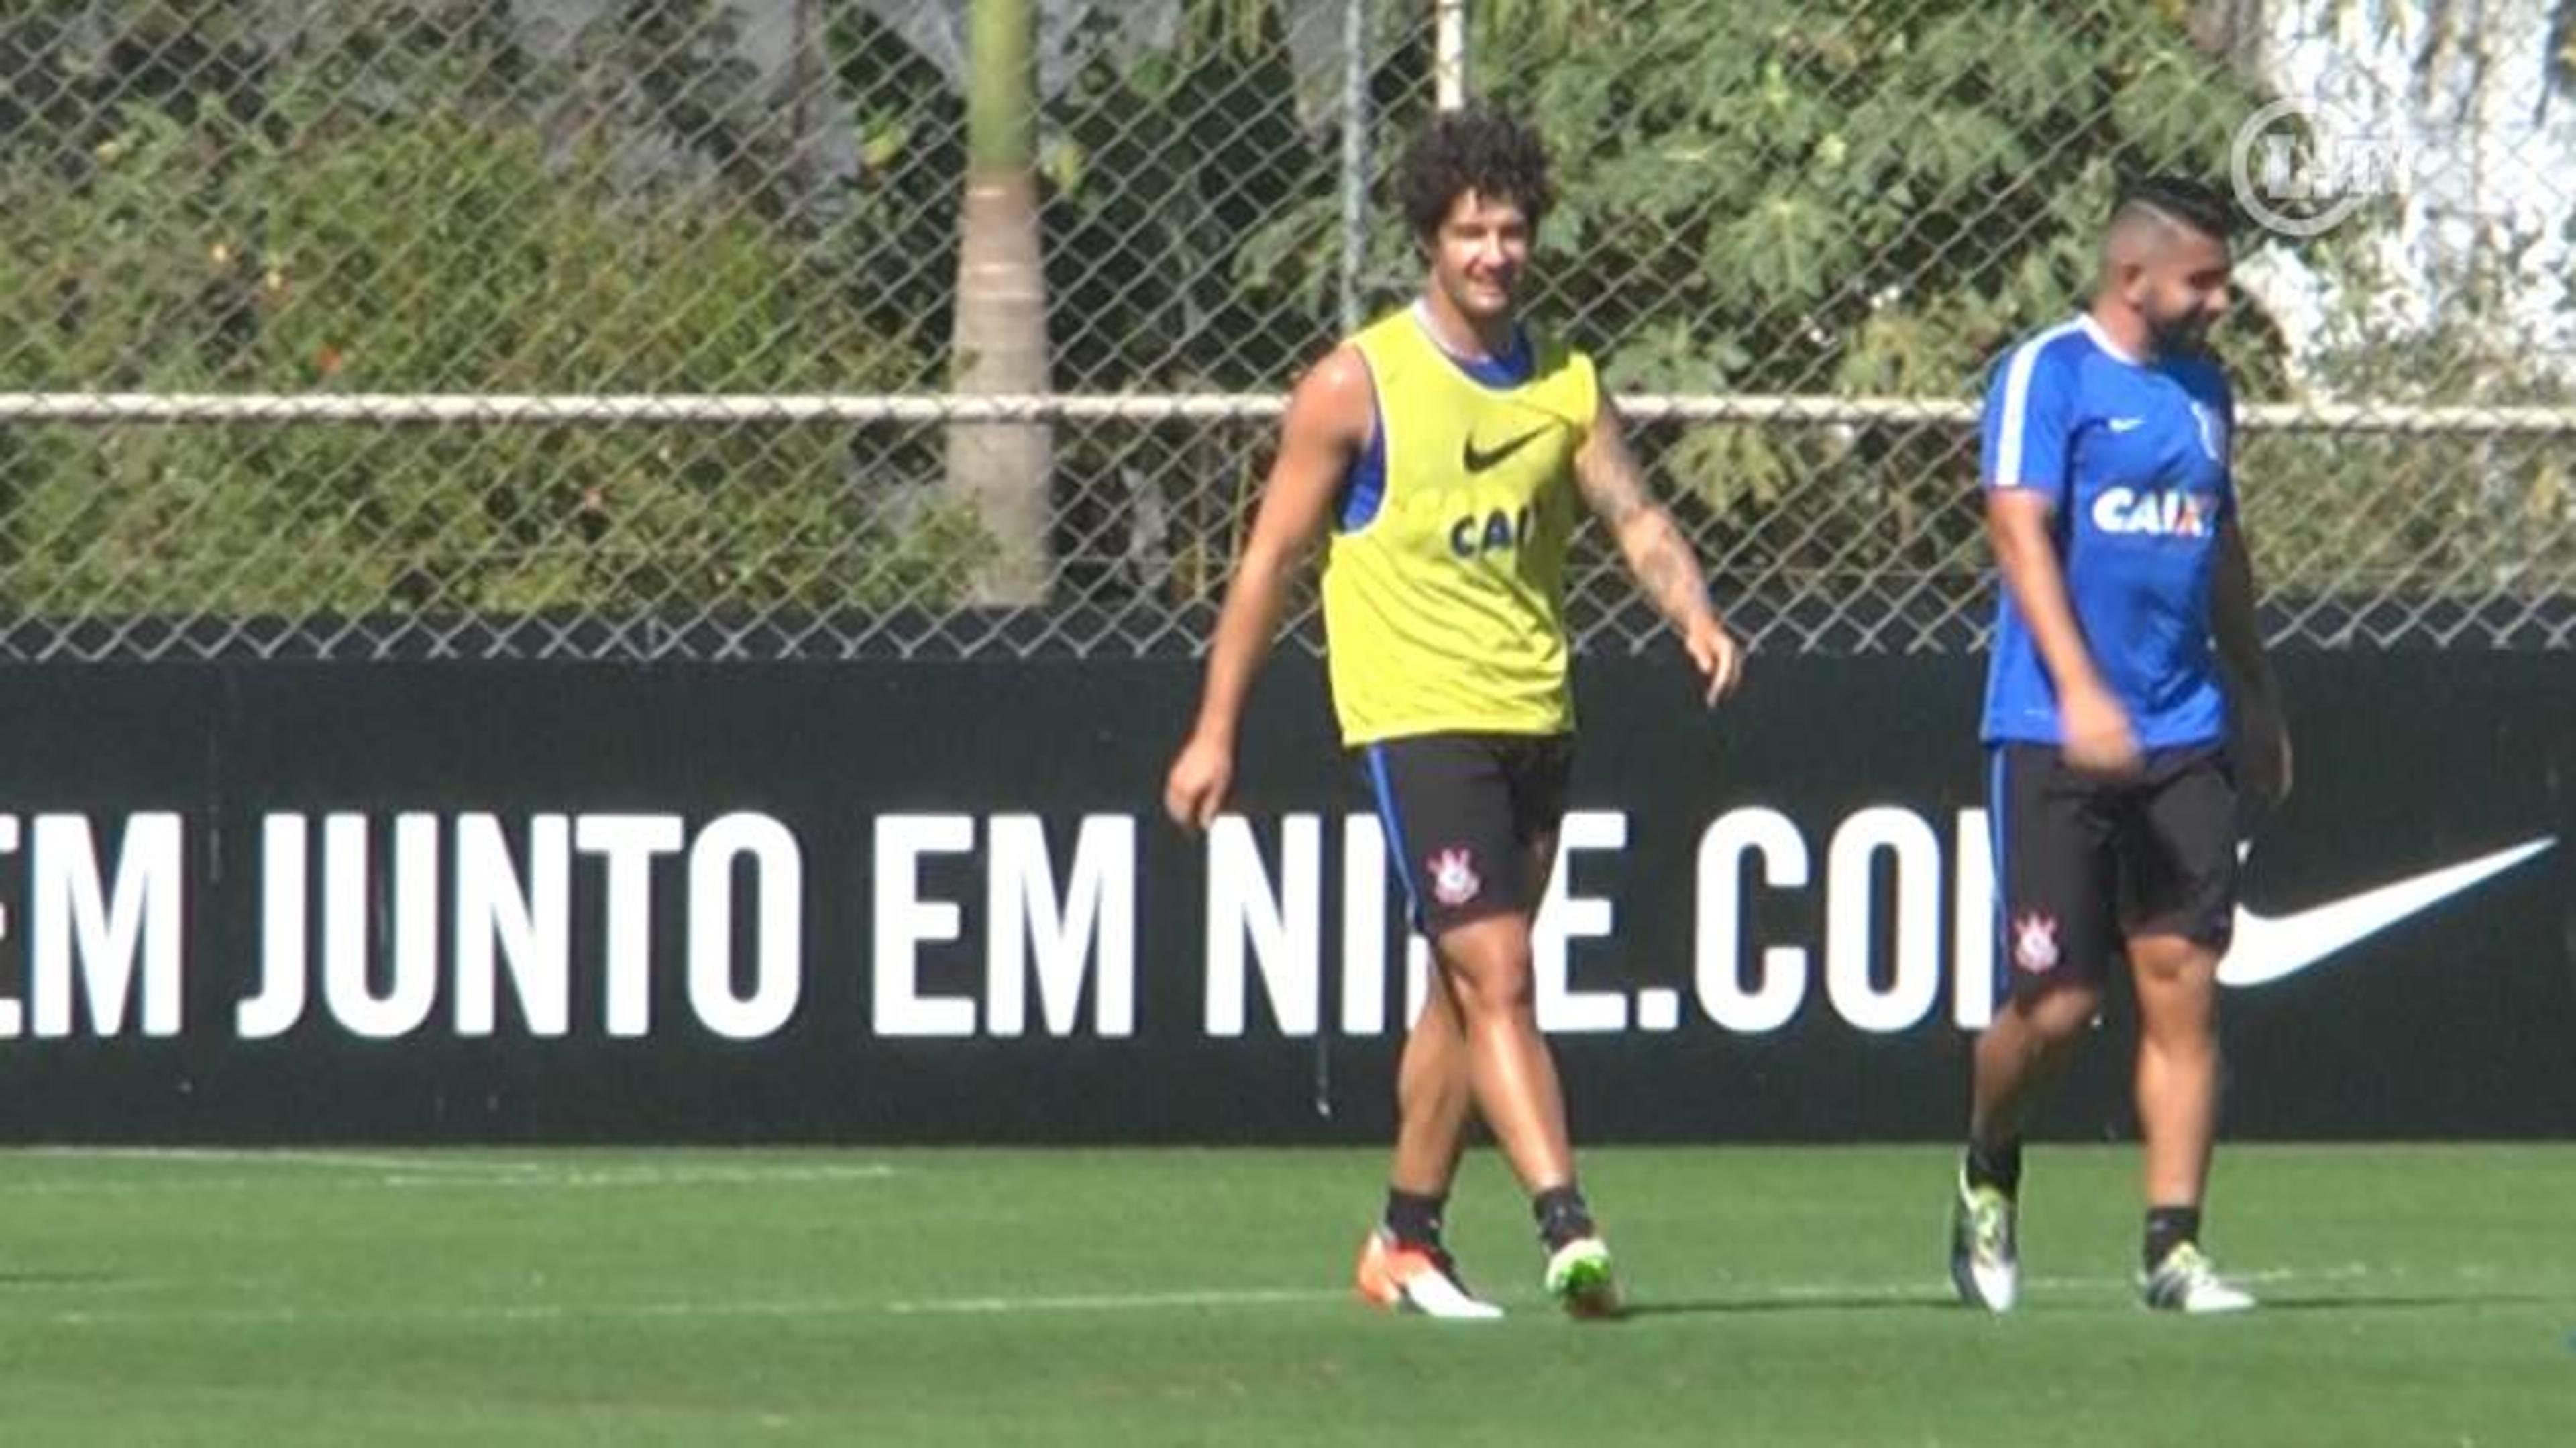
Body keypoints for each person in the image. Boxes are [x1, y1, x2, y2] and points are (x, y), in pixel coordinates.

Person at [1161, 105, 1741, 1319]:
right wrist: (1217, 728)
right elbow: (1268, 562)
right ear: (1430, 237)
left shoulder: (1565, 387)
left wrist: (1691, 610)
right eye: (1472, 231)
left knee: (1460, 992)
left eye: (1513, 230)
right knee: (1501, 967)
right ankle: (1566, 1222)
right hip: (1414, 713)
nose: (1495, 253)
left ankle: (1405, 1242)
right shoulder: (1355, 385)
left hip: (1534, 712)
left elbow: (1634, 516)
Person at [1951, 175, 2290, 1316]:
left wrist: (2258, 692)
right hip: (2055, 731)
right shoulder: (2049, 372)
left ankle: (2172, 1247)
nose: (2221, 302)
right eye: (2204, 280)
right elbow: (2018, 533)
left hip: (2186, 727)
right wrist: (2085, 690)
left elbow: (2221, 541)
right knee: (2053, 1003)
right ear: (2133, 276)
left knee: (2184, 983)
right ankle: (1989, 1163)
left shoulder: (2207, 392)